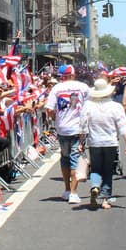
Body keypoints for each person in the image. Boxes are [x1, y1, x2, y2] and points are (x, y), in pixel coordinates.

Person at [81, 78, 126, 210]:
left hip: (94, 142)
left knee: (95, 168)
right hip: (110, 142)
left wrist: (81, 142)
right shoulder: (116, 107)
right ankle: (105, 199)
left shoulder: (88, 106)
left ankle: (95, 186)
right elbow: (123, 127)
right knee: (108, 170)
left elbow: (83, 127)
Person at [44, 64, 89, 203]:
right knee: (75, 158)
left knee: (65, 158)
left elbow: (49, 109)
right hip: (78, 128)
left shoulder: (57, 88)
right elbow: (89, 106)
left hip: (62, 129)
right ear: (73, 75)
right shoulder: (83, 87)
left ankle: (67, 189)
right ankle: (74, 193)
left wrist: (55, 118)